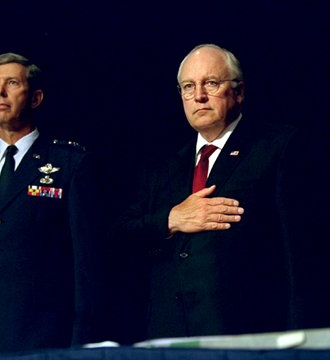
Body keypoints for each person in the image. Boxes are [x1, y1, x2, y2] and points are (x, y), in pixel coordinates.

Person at [113, 44, 301, 342]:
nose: (199, 95)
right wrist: (171, 219)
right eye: (188, 87)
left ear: (238, 92)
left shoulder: (278, 147)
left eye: (211, 83)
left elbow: (298, 254)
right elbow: (120, 235)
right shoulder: (163, 164)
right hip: (168, 334)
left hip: (248, 331)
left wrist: (297, 338)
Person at [0, 52, 107, 358]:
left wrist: (82, 343)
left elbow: (86, 266)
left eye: (12, 83)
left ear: (35, 97)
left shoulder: (69, 164)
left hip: (41, 336)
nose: (0, 92)